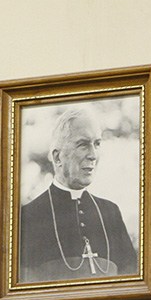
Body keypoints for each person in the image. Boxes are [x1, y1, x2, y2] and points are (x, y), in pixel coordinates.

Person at [18, 108, 138, 283]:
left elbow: (131, 283)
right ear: (57, 157)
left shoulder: (110, 213)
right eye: (83, 145)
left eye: (97, 144)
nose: (93, 155)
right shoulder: (28, 217)